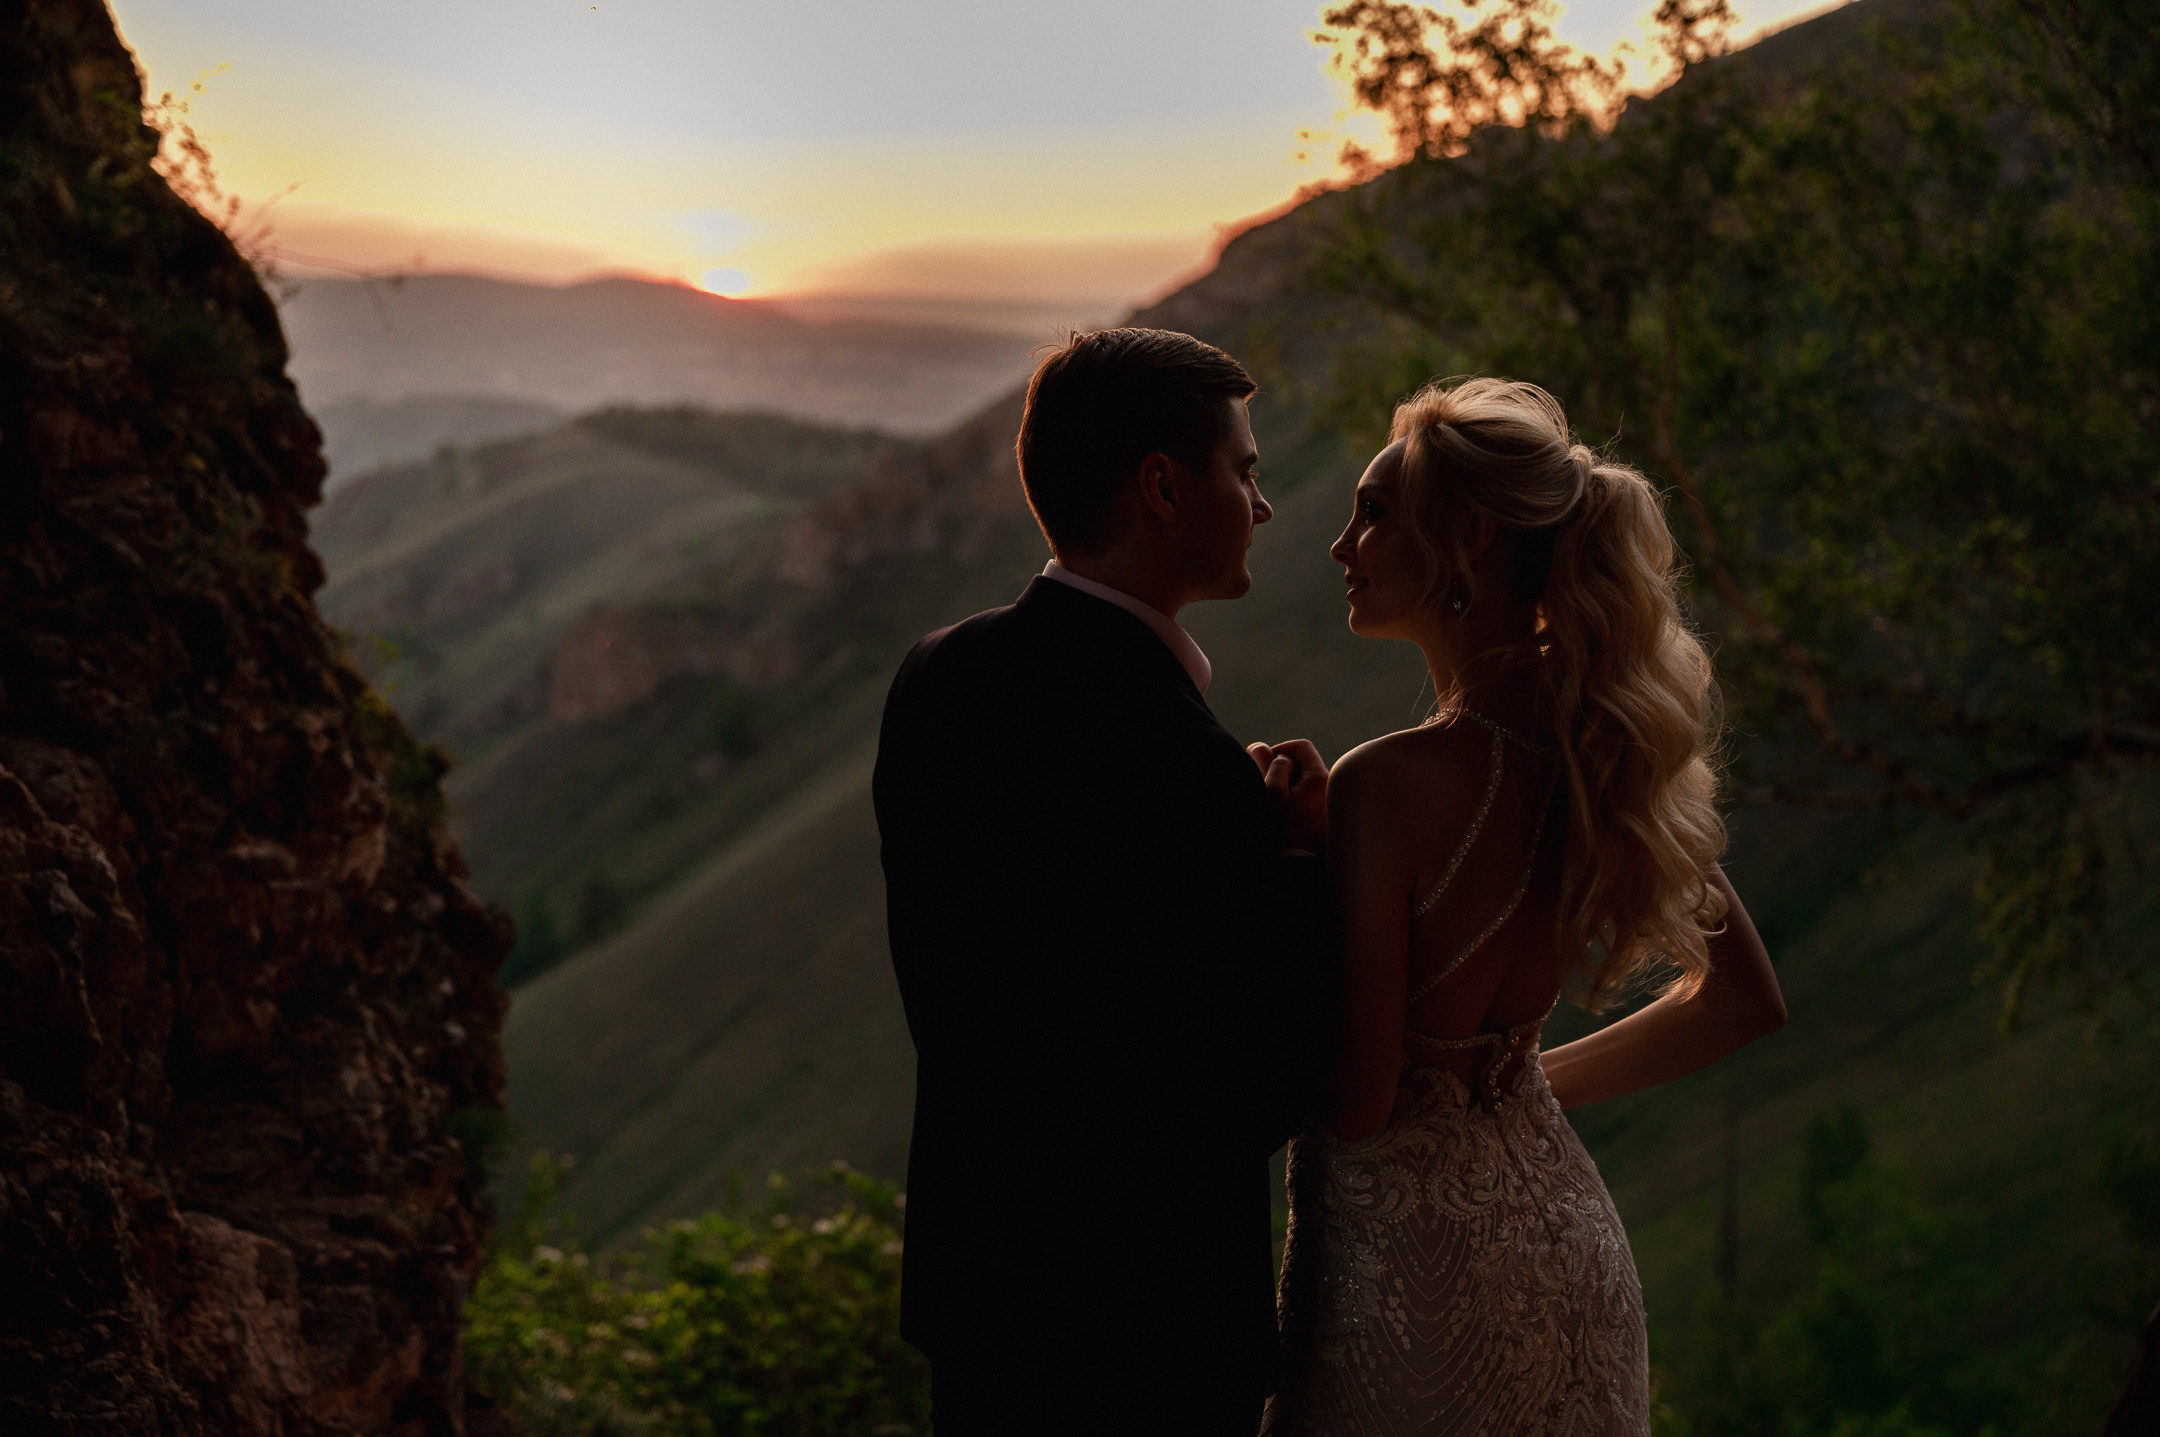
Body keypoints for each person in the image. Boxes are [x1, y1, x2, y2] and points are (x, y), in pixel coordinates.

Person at [1262, 377, 1789, 1435]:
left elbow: (1358, 1103)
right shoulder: (1608, 755)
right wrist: (1509, 1086)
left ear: (1469, 538)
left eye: (1373, 511)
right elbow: (1743, 1002)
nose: (1340, 543)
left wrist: (1289, 873)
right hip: (1570, 1252)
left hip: (1414, 1284)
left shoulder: (1385, 783)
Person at [872, 328, 1339, 1435]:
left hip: (984, 1291)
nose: (1264, 505)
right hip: (1151, 1328)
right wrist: (1299, 865)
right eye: (1245, 471)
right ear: (1163, 487)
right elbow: (1261, 1082)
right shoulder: (1189, 771)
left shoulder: (938, 675)